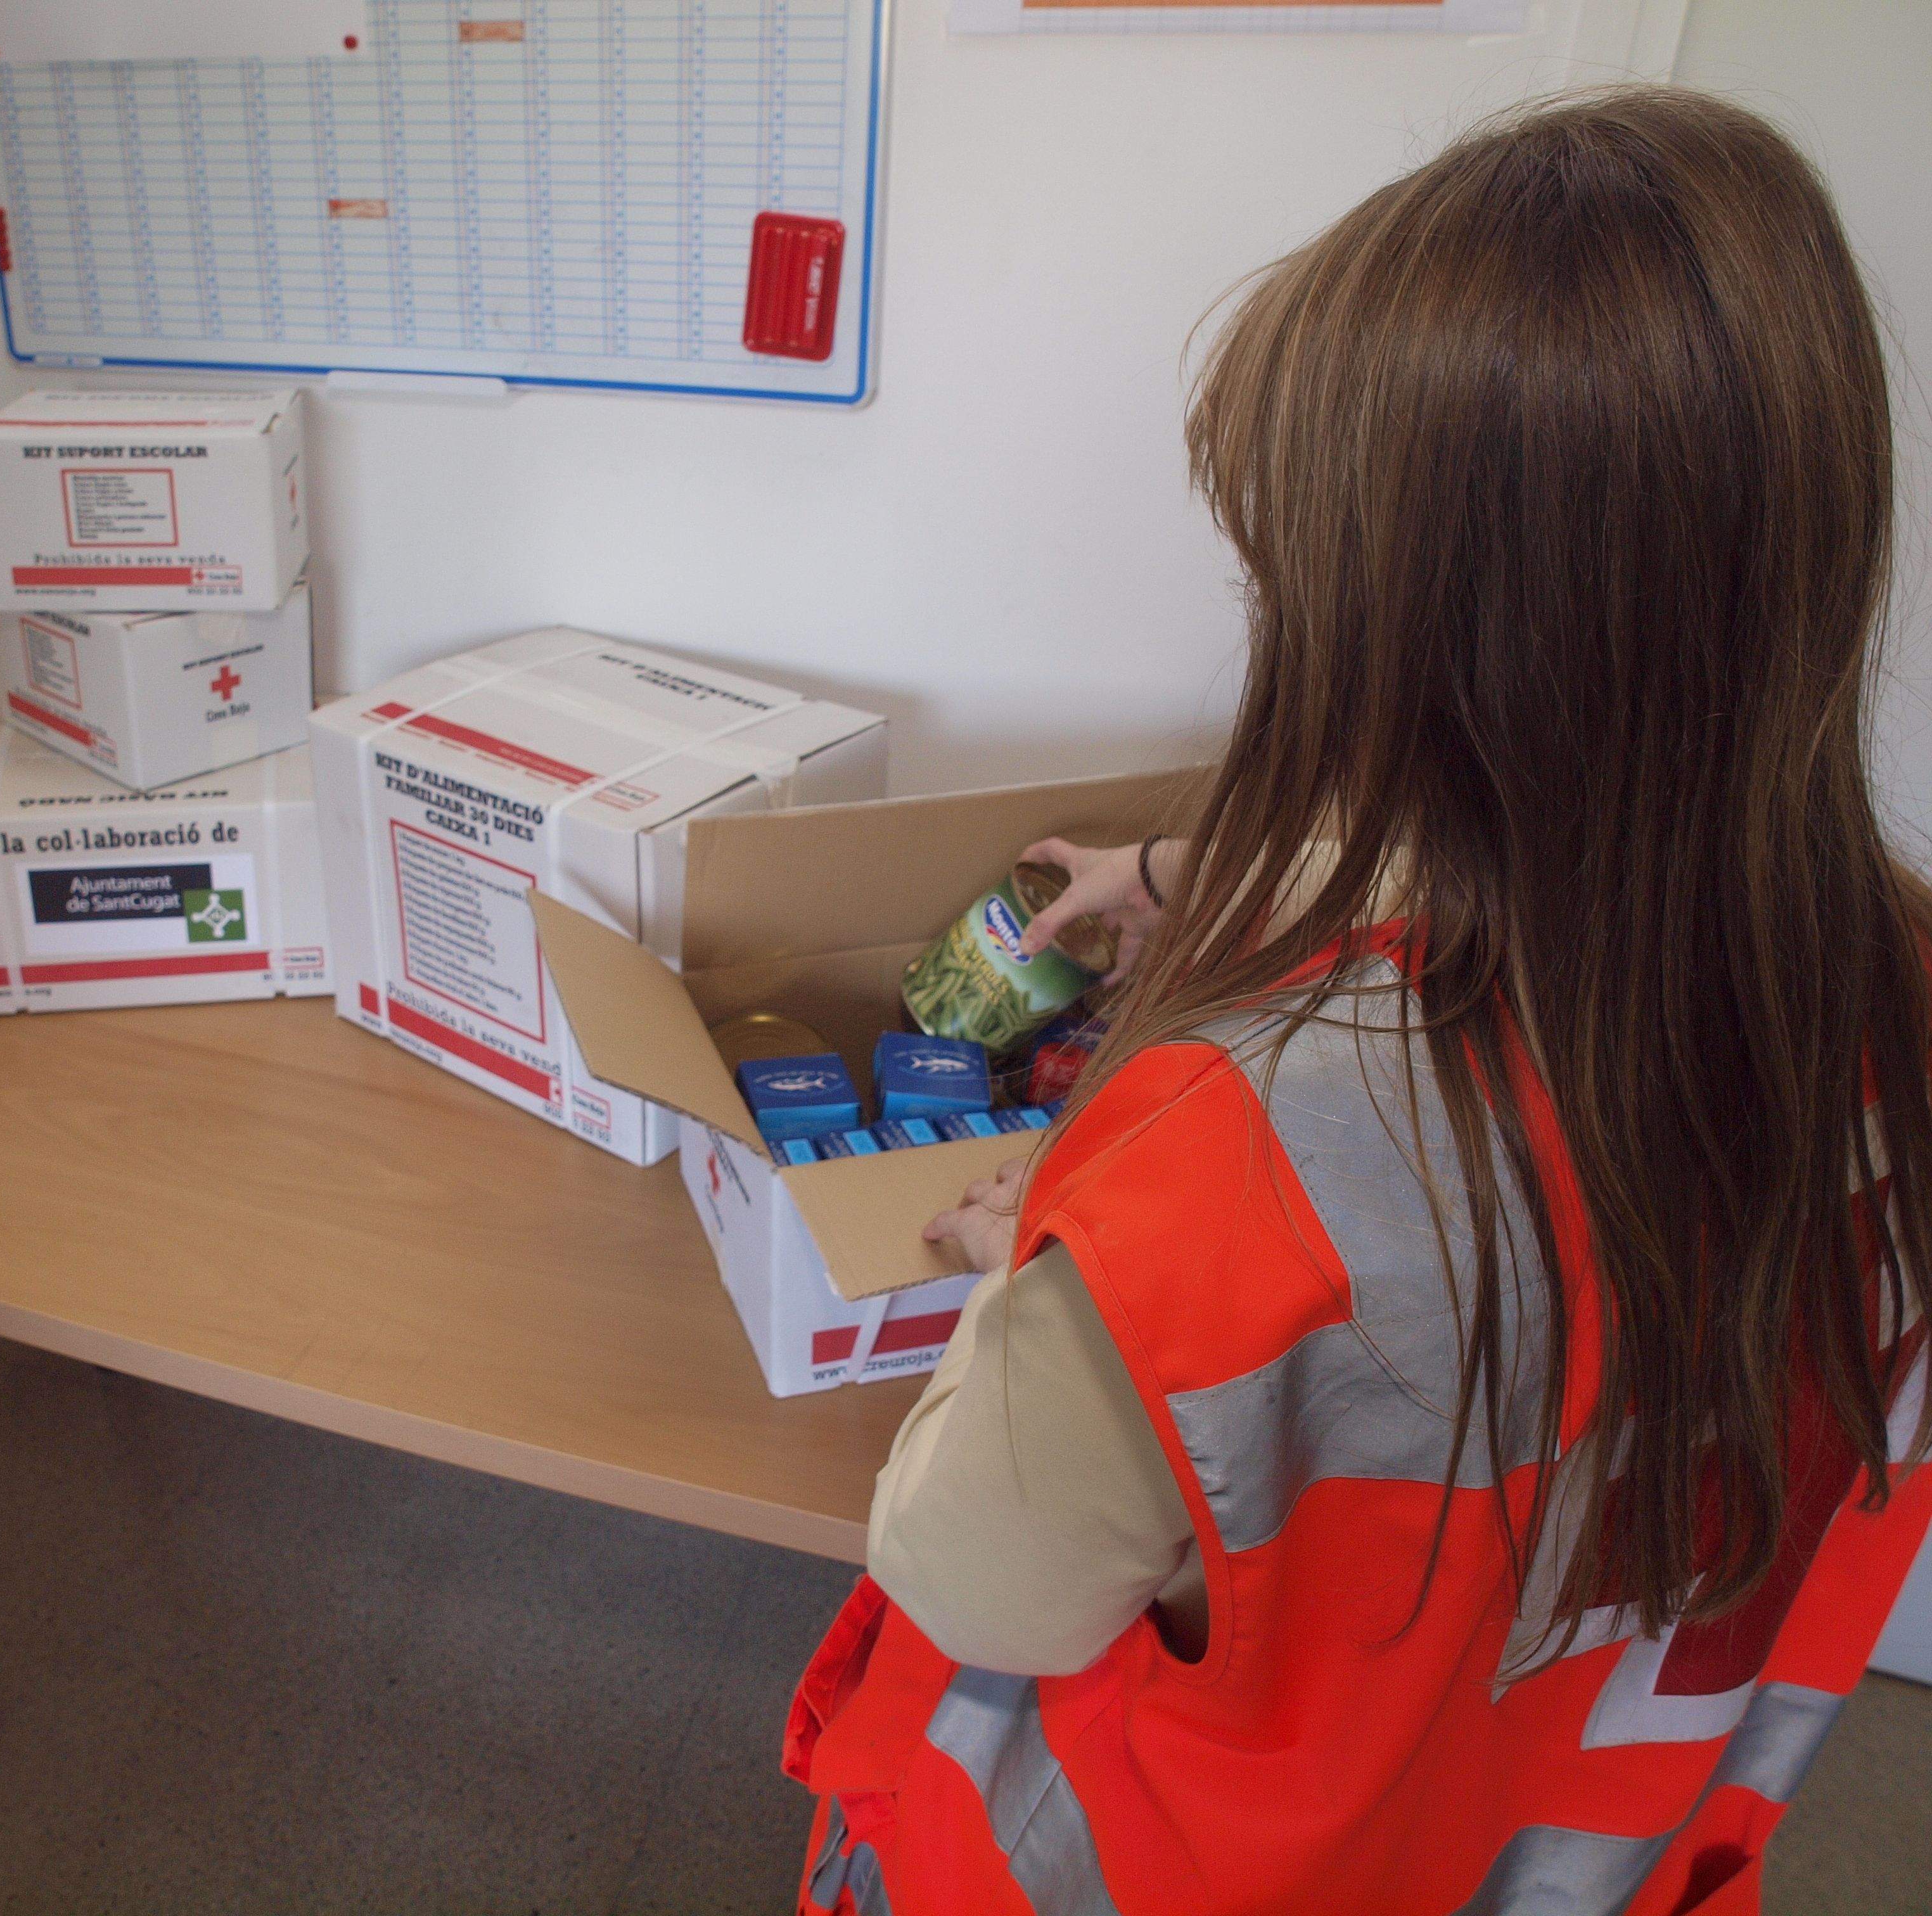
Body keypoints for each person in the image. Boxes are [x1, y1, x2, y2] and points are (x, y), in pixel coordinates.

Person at [786, 87, 1932, 1916]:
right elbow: (1558, 898)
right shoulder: (1889, 978)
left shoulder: (1220, 1163)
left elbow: (979, 1576)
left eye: (1291, 580)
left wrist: (1041, 1260)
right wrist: (1179, 887)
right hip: (1568, 1835)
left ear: (1411, 642)